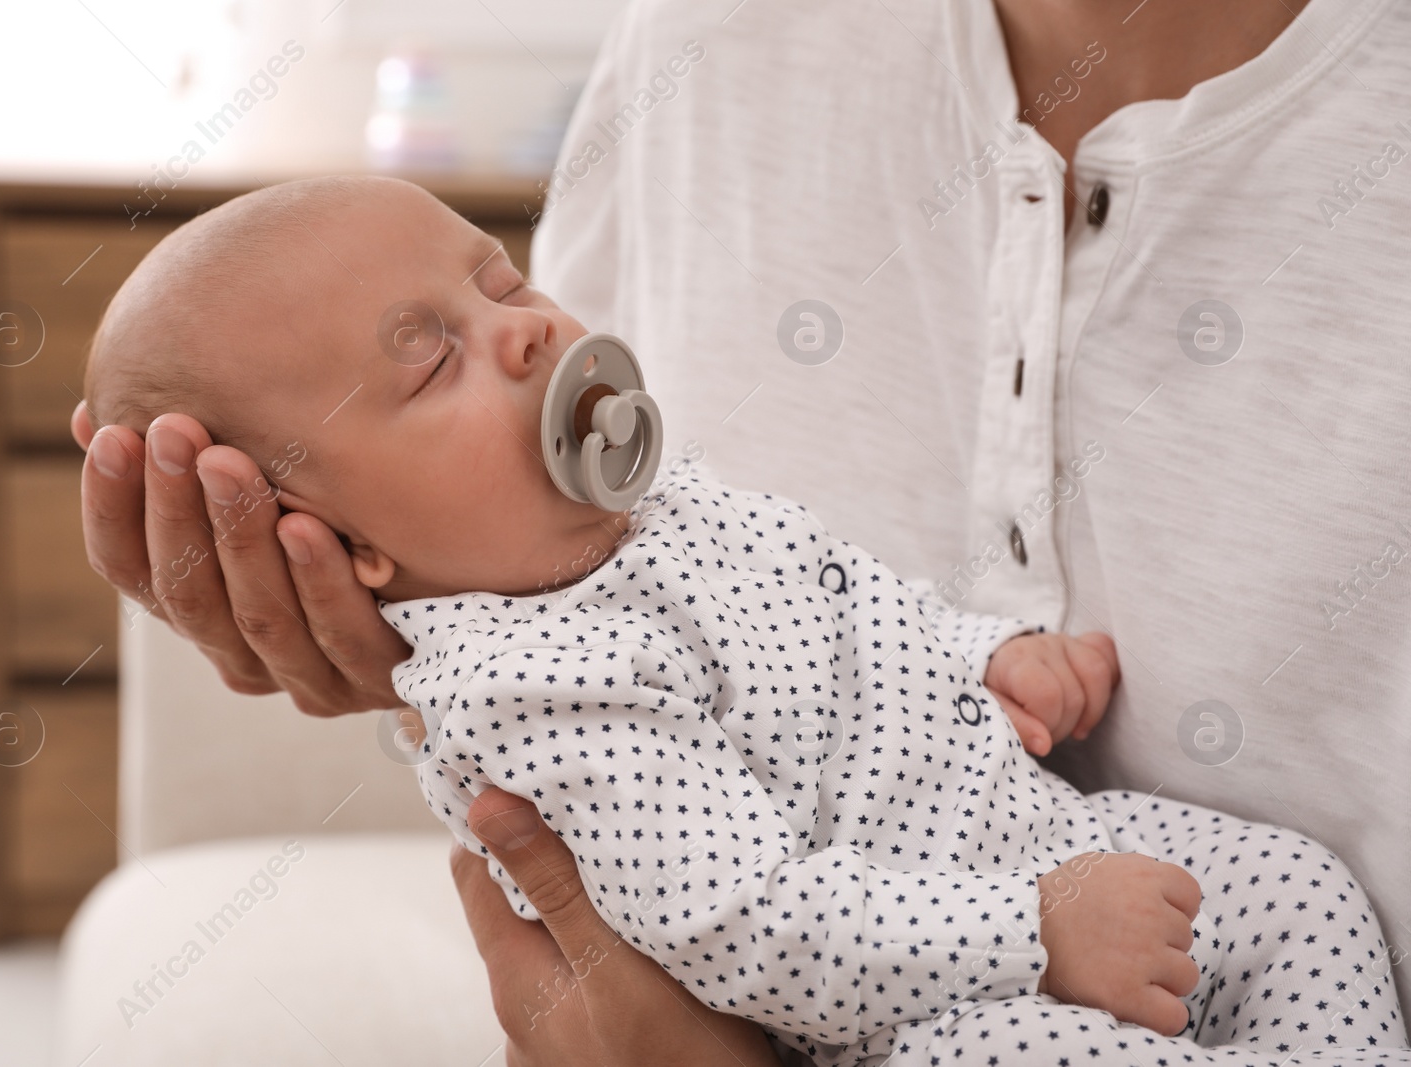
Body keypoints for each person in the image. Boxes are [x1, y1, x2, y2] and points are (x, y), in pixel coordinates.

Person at [73, 0, 1411, 1062]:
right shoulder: (545, 692)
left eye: (499, 280)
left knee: (1298, 892)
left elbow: (832, 597)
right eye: (433, 356)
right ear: (354, 549)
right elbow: (740, 919)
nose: (534, 325)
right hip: (932, 984)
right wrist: (1035, 935)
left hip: (1027, 837)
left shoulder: (659, 512)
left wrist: (984, 661)